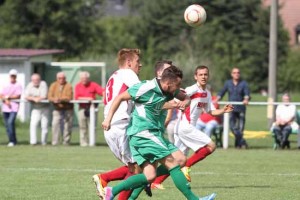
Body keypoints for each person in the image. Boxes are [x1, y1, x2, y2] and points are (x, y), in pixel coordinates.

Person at [102, 65, 216, 200]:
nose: (179, 87)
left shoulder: (170, 89)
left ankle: (112, 191)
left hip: (152, 134)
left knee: (170, 165)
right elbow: (120, 97)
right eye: (178, 84)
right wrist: (108, 119)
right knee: (172, 163)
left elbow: (186, 97)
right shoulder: (145, 88)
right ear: (168, 83)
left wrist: (185, 102)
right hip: (142, 133)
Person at [92, 48, 143, 200]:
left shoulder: (114, 75)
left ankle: (104, 178)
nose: (140, 65)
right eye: (137, 62)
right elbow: (143, 92)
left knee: (134, 168)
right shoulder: (128, 73)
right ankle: (105, 182)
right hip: (120, 125)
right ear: (129, 63)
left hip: (113, 125)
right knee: (137, 170)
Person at [172, 65, 233, 182]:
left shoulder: (207, 93)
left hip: (184, 127)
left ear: (208, 76)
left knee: (177, 160)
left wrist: (223, 110)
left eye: (205, 74)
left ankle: (155, 182)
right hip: (185, 127)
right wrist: (179, 103)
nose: (203, 77)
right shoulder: (193, 89)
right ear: (196, 76)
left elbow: (210, 111)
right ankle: (187, 166)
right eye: (200, 74)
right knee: (211, 146)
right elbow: (177, 95)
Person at [216, 67, 250, 149]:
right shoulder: (228, 83)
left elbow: (246, 93)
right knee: (232, 127)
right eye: (234, 72)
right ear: (232, 74)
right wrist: (217, 98)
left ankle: (238, 145)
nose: (236, 74)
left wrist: (246, 99)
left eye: (238, 72)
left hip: (241, 108)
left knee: (241, 128)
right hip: (231, 109)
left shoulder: (244, 83)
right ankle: (243, 142)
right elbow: (222, 92)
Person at [74, 71, 104, 147]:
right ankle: (83, 143)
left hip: (92, 108)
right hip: (82, 108)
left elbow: (102, 91)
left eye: (85, 78)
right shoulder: (77, 86)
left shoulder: (93, 85)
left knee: (92, 126)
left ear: (88, 78)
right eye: (82, 78)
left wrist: (104, 96)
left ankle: (92, 142)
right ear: (80, 79)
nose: (84, 80)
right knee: (82, 126)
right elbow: (77, 97)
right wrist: (88, 98)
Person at [48, 72, 73, 146]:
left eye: (63, 78)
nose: (61, 80)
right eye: (60, 78)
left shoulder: (68, 86)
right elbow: (49, 96)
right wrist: (54, 99)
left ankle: (66, 141)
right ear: (57, 78)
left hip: (68, 108)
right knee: (55, 124)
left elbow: (69, 97)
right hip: (57, 108)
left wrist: (60, 99)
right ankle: (55, 142)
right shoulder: (53, 85)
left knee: (67, 126)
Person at [25, 73, 49, 145]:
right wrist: (33, 98)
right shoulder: (29, 85)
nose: (35, 81)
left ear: (40, 79)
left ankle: (43, 142)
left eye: (37, 80)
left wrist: (36, 98)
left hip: (45, 108)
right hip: (35, 108)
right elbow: (26, 96)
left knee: (44, 125)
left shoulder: (43, 84)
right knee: (33, 124)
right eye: (34, 80)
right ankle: (33, 142)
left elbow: (44, 96)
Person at [0, 69, 22, 147]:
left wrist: (8, 97)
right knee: (7, 125)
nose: (12, 77)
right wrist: (6, 100)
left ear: (16, 76)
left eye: (14, 76)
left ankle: (12, 140)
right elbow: (1, 95)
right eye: (11, 76)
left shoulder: (18, 85)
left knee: (10, 123)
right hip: (5, 107)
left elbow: (18, 95)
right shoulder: (6, 84)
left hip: (14, 108)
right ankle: (12, 140)